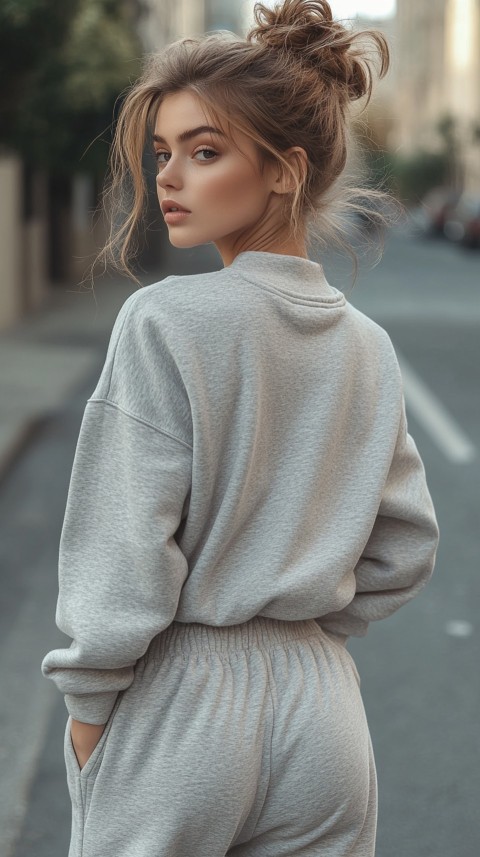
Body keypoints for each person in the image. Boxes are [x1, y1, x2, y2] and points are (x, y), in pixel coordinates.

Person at [41, 2, 440, 855]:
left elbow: (123, 551)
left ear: (286, 171)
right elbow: (405, 546)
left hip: (182, 707)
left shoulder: (165, 320)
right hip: (324, 714)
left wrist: (87, 713)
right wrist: (298, 623)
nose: (169, 178)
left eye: (205, 151)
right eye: (163, 153)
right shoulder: (366, 347)